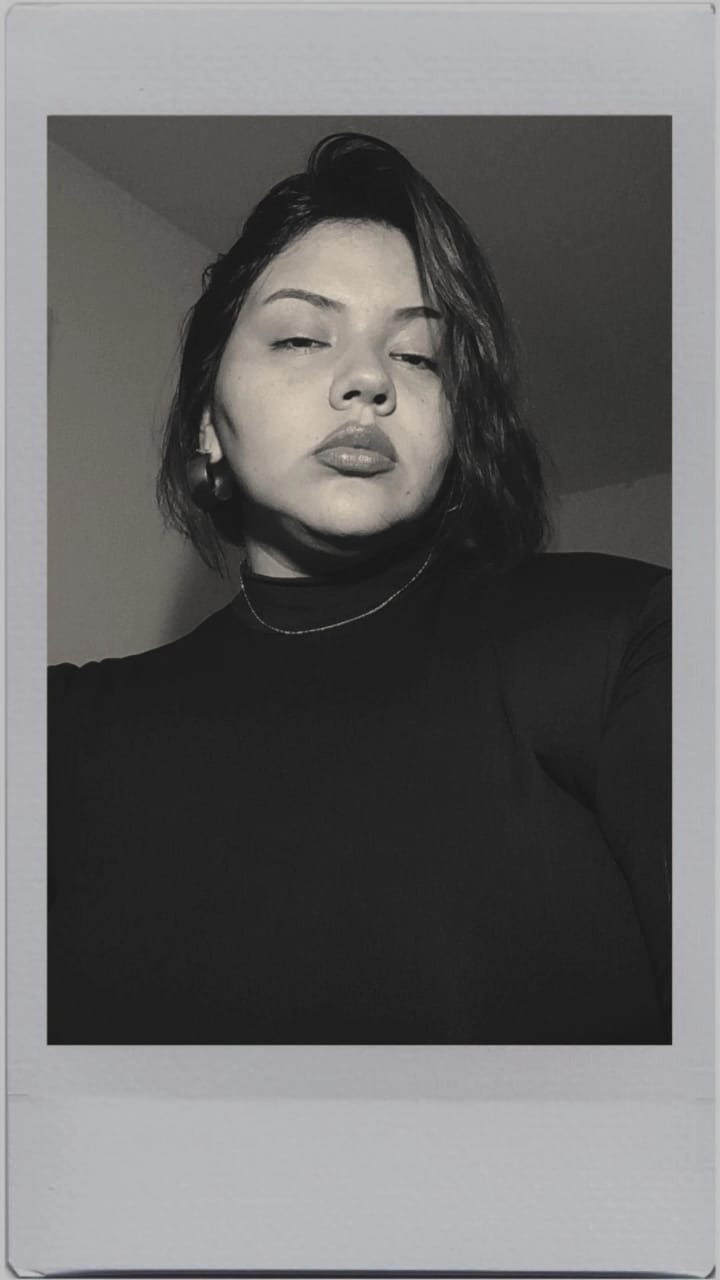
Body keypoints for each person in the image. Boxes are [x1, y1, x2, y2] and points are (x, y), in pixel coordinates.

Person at [47, 132, 671, 1045]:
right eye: (302, 337)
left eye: (419, 356)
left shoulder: (625, 639)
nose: (369, 380)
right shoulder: (55, 737)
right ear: (207, 423)